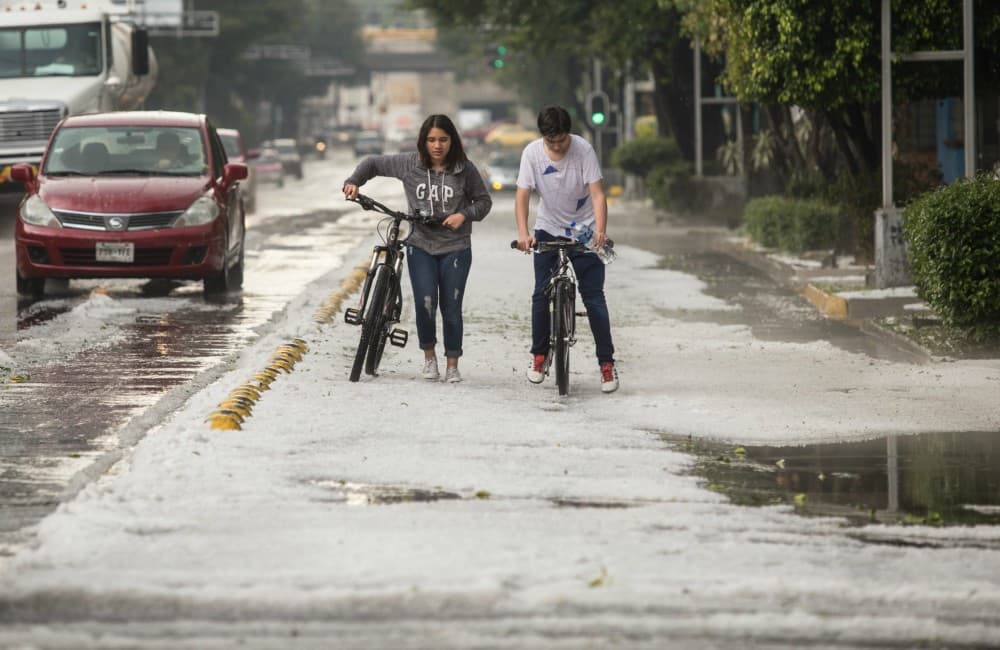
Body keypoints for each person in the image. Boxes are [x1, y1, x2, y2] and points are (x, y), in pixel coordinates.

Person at [343, 115, 492, 383]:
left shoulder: (464, 169)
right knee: (425, 304)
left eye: (443, 140)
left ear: (452, 141)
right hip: (420, 244)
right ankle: (429, 359)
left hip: (456, 247)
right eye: (431, 140)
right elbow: (373, 163)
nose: (437, 146)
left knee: (452, 306)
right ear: (423, 142)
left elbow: (483, 201)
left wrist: (464, 215)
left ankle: (452, 364)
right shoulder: (410, 163)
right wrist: (355, 181)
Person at [514, 105, 619, 393]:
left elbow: (598, 194)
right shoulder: (531, 153)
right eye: (551, 141)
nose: (557, 146)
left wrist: (600, 230)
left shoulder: (583, 150)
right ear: (543, 138)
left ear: (568, 134)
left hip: (583, 230)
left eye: (561, 140)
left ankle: (606, 365)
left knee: (594, 298)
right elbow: (523, 194)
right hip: (547, 227)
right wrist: (524, 233)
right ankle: (539, 356)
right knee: (540, 293)